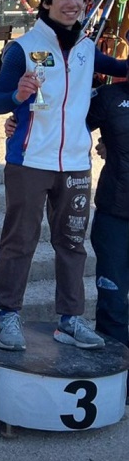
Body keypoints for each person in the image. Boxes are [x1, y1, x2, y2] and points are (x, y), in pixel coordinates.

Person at [0, 0, 127, 352]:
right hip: (30, 161)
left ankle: (70, 319)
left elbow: (122, 69)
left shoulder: (87, 48)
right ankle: (7, 315)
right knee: (20, 241)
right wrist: (18, 95)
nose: (72, 3)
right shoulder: (23, 48)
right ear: (47, 3)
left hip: (75, 164)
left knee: (72, 243)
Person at [86, 76, 129, 360]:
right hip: (115, 215)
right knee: (112, 303)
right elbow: (66, 125)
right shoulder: (108, 96)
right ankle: (115, 373)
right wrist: (19, 121)